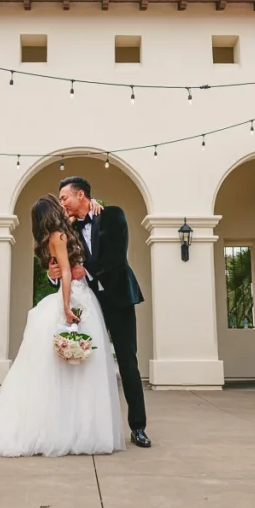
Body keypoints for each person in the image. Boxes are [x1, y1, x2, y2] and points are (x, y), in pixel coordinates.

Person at [0, 194, 124, 457]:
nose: (63, 205)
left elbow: (76, 216)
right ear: (51, 213)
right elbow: (67, 273)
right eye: (57, 202)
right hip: (75, 296)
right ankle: (67, 429)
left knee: (78, 366)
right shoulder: (58, 236)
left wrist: (92, 203)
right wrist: (68, 306)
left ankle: (72, 426)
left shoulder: (61, 230)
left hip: (82, 295)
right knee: (70, 365)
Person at [49, 176, 151, 448]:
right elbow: (57, 260)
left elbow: (117, 255)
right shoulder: (66, 229)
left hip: (118, 298)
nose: (61, 203)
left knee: (128, 362)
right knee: (81, 362)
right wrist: (53, 274)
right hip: (88, 303)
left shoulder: (113, 215)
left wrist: (88, 270)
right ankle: (83, 428)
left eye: (64, 197)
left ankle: (138, 427)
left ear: (81, 195)